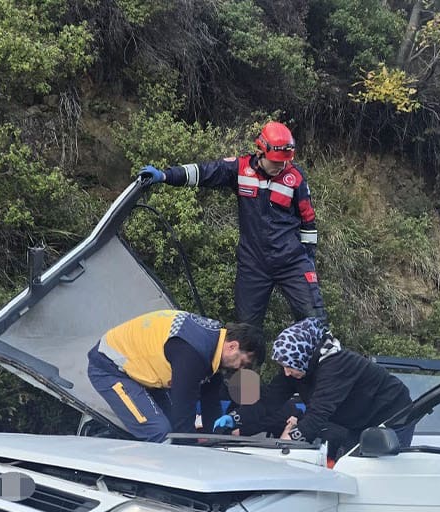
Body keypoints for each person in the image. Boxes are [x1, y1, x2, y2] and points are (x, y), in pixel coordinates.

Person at [138, 121, 325, 328]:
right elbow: (204, 172)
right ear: (260, 151)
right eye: (275, 161)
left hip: (292, 262)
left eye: (284, 161)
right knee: (245, 330)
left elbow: (308, 221)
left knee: (315, 322)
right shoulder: (240, 169)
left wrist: (308, 260)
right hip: (253, 264)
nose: (280, 166)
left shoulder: (295, 178)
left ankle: (322, 349)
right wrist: (165, 175)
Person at [220, 318, 413, 458]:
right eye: (283, 366)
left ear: (302, 357)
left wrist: (286, 443)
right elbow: (269, 401)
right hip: (357, 420)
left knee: (376, 467)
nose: (286, 372)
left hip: (392, 413)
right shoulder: (296, 367)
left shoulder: (336, 365)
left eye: (289, 366)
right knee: (351, 462)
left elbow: (318, 414)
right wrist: (236, 418)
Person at [87, 310, 263, 442]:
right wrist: (192, 456)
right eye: (243, 362)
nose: (240, 369)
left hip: (143, 371)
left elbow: (210, 400)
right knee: (160, 432)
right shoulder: (194, 352)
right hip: (109, 367)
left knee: (173, 428)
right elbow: (183, 416)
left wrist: (216, 438)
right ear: (232, 346)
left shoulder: (213, 343)